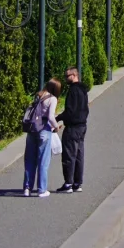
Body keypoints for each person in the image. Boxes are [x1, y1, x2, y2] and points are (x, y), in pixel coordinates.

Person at [22, 78, 61, 198]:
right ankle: (41, 189)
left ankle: (27, 188)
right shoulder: (52, 99)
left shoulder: (38, 95)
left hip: (32, 130)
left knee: (30, 160)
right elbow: (50, 116)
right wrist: (56, 127)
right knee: (43, 161)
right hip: (44, 130)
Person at [55, 66, 89, 194]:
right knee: (79, 155)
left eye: (67, 76)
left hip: (73, 127)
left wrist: (58, 118)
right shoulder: (83, 90)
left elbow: (70, 111)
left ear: (74, 75)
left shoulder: (73, 91)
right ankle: (77, 183)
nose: (65, 78)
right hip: (82, 126)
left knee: (69, 155)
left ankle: (68, 183)